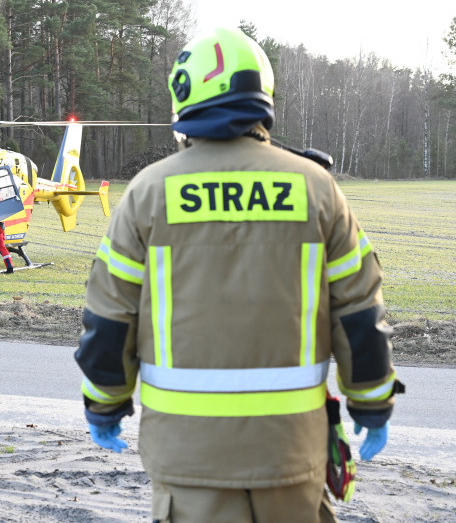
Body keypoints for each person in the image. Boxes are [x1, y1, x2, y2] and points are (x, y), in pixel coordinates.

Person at [74, 27, 401, 523]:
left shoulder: (148, 193)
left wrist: (105, 404)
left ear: (184, 96)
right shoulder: (316, 188)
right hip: (291, 452)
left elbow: (109, 318)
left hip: (187, 457)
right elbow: (359, 313)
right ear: (261, 94)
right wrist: (372, 403)